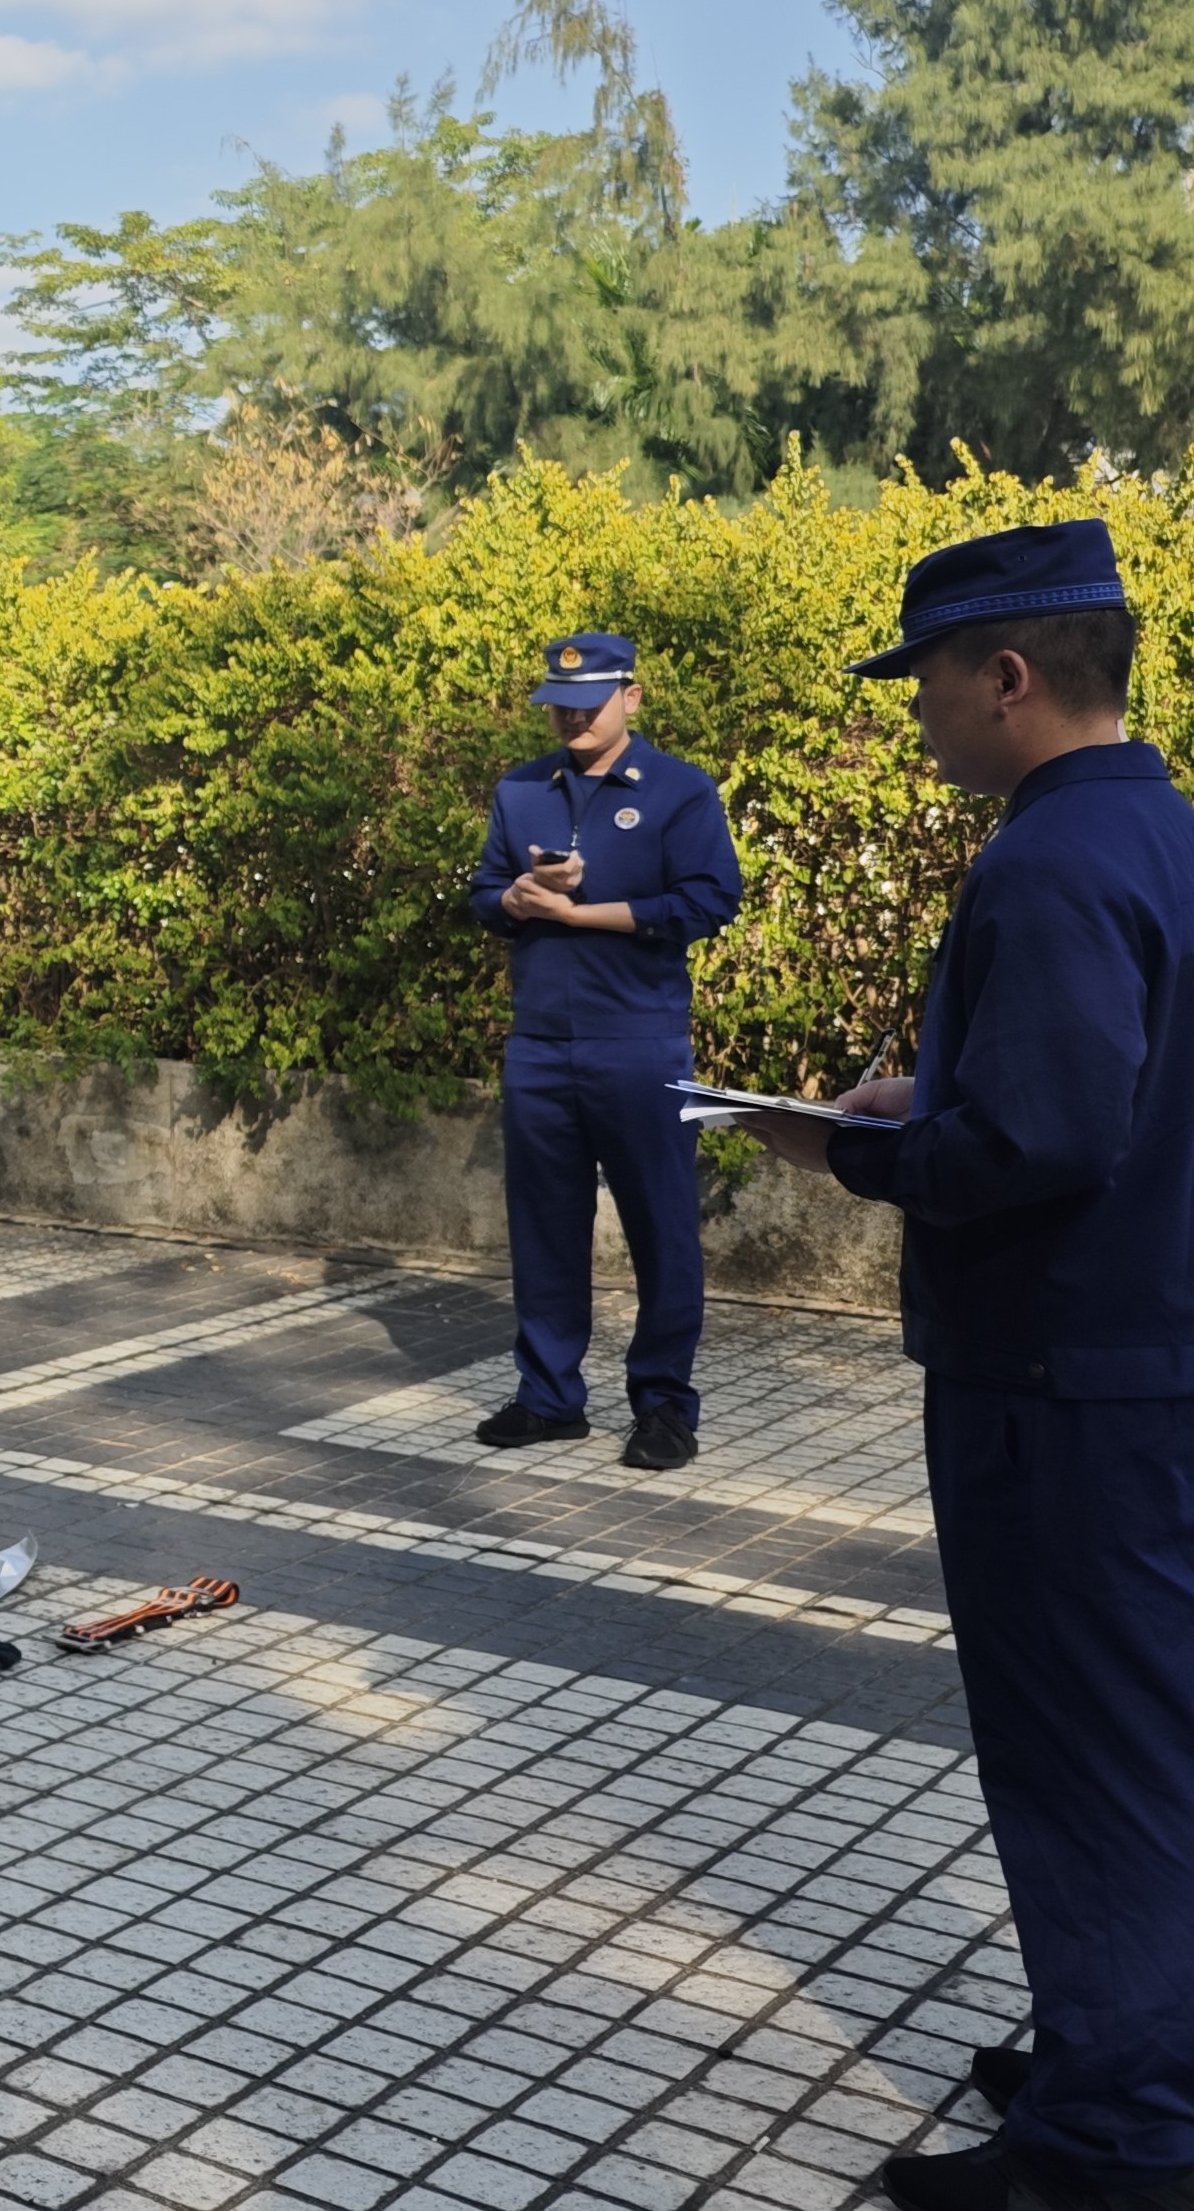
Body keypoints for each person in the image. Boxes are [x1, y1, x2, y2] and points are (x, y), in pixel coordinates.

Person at [741, 522, 1194, 2210]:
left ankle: (1115, 2145)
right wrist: (918, 1106)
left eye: (926, 679)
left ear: (1006, 674)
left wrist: (837, 1149)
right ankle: (1126, 2046)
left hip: (1064, 1383)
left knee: (1088, 1750)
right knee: (1152, 1727)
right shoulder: (1160, 833)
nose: (913, 712)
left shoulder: (1048, 860)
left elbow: (1047, 1132)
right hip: (1144, 1354)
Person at [462, 632, 743, 1471]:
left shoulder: (679, 792)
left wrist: (593, 914)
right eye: (559, 701)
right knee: (543, 1224)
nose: (573, 715)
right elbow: (483, 894)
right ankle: (550, 1398)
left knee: (662, 1228)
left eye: (590, 701)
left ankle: (663, 1405)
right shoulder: (521, 790)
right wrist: (512, 897)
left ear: (633, 696)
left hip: (639, 1041)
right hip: (541, 1043)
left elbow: (709, 899)